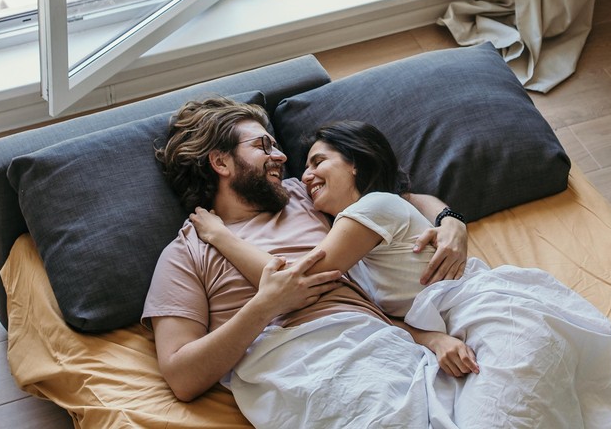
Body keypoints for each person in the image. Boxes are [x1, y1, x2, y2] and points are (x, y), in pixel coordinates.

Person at [189, 120, 611, 429]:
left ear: (355, 163)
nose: (301, 175)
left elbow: (299, 278)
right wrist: (429, 334)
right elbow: (405, 230)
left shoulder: (366, 212)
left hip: (488, 312)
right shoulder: (362, 218)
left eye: (317, 162)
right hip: (451, 328)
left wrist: (219, 236)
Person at [141, 96, 473, 426]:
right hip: (304, 367)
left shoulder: (305, 195)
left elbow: (400, 200)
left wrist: (450, 221)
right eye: (264, 146)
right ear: (222, 163)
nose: (282, 156)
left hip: (390, 347)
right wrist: (265, 305)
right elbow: (182, 376)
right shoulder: (186, 252)